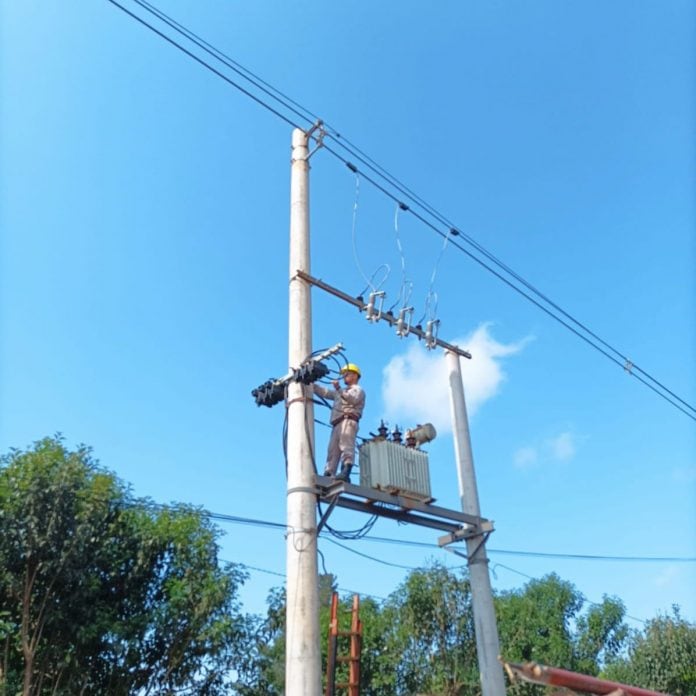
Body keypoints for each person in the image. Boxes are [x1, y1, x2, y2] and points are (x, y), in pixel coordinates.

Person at [313, 363, 366, 481]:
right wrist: (312, 385)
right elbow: (326, 392)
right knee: (332, 450)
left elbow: (352, 399)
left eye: (347, 374)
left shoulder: (358, 390)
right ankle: (329, 473)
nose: (345, 376)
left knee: (346, 447)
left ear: (355, 375)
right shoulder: (341, 391)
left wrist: (338, 389)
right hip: (337, 423)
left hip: (348, 420)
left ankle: (345, 472)